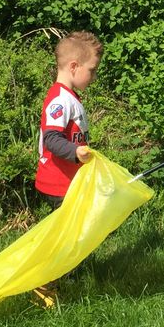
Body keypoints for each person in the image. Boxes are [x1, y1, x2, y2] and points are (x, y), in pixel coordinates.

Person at [32, 31, 103, 305]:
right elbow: (51, 138)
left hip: (69, 180)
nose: (93, 78)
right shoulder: (59, 99)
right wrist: (76, 153)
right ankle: (44, 283)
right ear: (74, 66)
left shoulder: (70, 96)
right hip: (58, 182)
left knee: (74, 230)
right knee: (66, 235)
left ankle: (65, 271)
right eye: (92, 71)